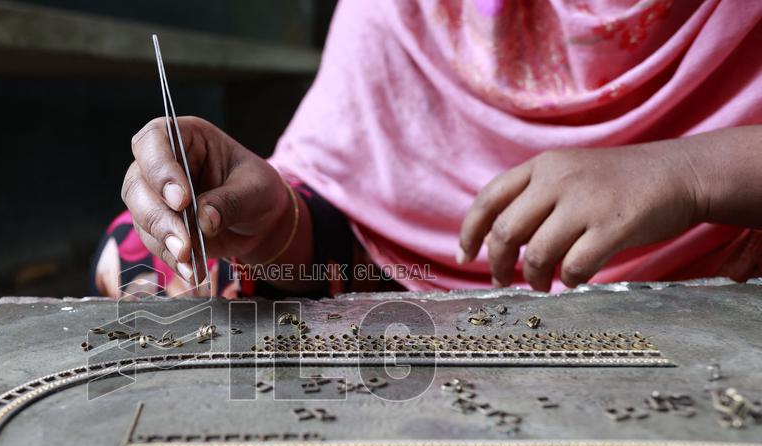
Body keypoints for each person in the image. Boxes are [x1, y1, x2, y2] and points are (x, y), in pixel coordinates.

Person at [98, 0, 762, 298]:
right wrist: (275, 229)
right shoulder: (412, 9)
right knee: (144, 260)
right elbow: (349, 235)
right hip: (410, 286)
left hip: (713, 271)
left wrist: (689, 173)